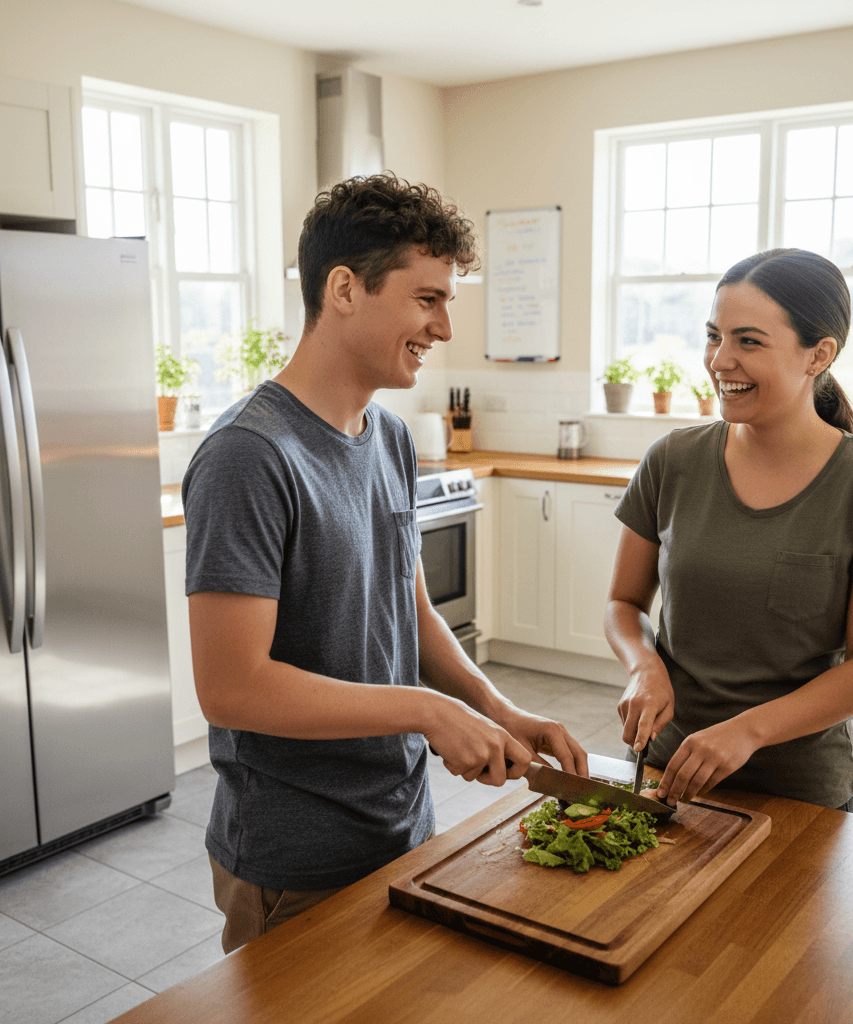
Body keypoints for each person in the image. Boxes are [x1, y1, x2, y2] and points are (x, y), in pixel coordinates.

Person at [183, 173, 588, 954]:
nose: (442, 327)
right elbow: (231, 688)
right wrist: (428, 712)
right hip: (294, 858)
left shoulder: (390, 437)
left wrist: (494, 708)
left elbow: (409, 610)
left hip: (401, 822)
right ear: (344, 288)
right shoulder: (249, 456)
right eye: (427, 298)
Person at [605, 248, 853, 812]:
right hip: (667, 770)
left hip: (798, 790)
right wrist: (644, 668)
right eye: (714, 336)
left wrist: (747, 731)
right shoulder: (672, 460)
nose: (719, 360)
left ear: (818, 354)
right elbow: (623, 601)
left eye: (748, 341)